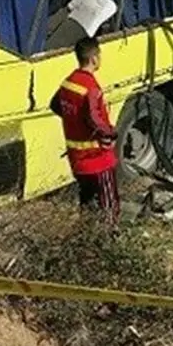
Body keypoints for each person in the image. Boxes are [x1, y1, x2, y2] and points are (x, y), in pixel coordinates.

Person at [50, 37, 119, 224]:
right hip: (97, 158)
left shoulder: (68, 83)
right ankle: (109, 241)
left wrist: (74, 120)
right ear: (94, 59)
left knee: (87, 204)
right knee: (108, 206)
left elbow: (55, 105)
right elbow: (94, 118)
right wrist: (111, 133)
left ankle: (85, 240)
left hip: (77, 161)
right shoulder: (91, 88)